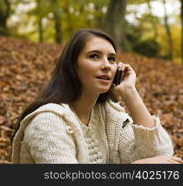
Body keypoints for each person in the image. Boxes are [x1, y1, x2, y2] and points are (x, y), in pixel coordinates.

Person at [11, 28, 182, 164]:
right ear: (72, 66)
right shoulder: (47, 122)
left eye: (112, 59)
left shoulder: (107, 115)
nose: (107, 65)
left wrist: (130, 92)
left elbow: (162, 158)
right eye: (94, 56)